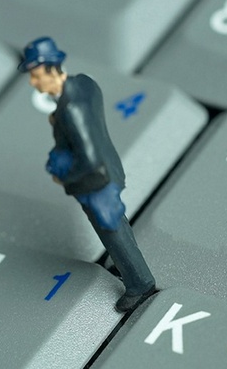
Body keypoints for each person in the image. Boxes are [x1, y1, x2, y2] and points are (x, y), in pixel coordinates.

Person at [19, 36, 155, 312]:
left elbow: (89, 161)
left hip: (96, 182)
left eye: (35, 76)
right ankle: (131, 265)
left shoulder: (70, 110)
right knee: (119, 225)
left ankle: (139, 283)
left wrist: (65, 176)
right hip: (111, 167)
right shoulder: (84, 83)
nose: (33, 83)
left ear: (50, 69)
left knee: (111, 231)